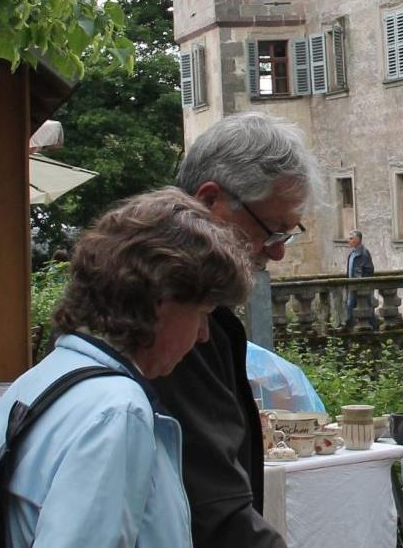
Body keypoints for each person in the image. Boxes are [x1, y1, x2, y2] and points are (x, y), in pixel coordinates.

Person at [0, 188, 251, 548]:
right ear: (162, 301)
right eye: (203, 314)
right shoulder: (118, 411)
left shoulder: (42, 379)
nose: (204, 335)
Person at [151, 112, 321, 548]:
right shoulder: (170, 314)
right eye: (271, 231)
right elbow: (214, 505)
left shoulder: (178, 297)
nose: (278, 253)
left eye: (289, 233)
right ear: (210, 200)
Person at [344, 229, 375, 327]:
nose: (349, 241)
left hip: (360, 286)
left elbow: (369, 270)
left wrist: (361, 281)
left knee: (366, 306)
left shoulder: (364, 253)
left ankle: (374, 327)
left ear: (358, 240)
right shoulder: (352, 253)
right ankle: (349, 326)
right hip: (352, 285)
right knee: (350, 305)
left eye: (351, 239)